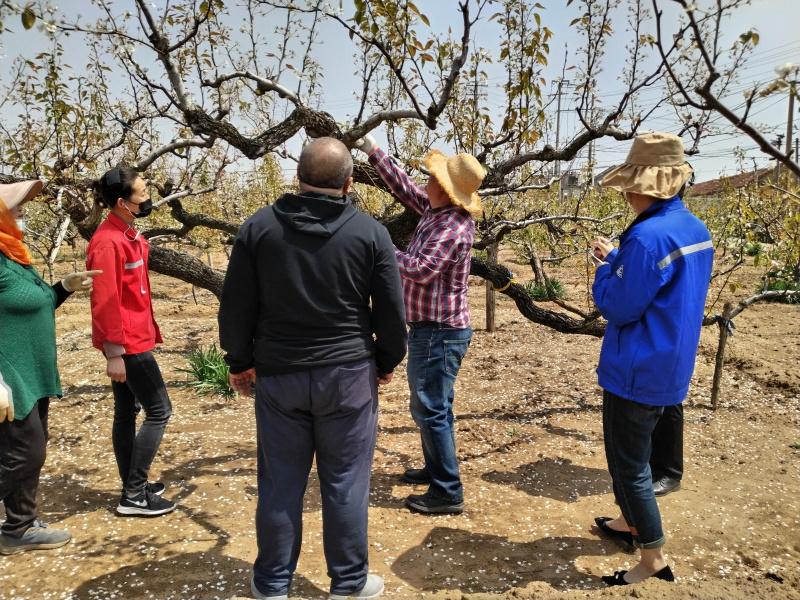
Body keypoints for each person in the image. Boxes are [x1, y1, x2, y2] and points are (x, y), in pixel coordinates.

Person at [218, 137, 407, 600]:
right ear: (349, 182)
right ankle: (348, 584)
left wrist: (240, 364)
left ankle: (272, 585)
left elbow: (235, 308)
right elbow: (392, 315)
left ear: (296, 177)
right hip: (346, 376)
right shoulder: (369, 233)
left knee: (280, 483)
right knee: (345, 483)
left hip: (279, 376)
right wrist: (384, 363)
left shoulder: (258, 228)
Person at [589, 132, 713, 585]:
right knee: (635, 457)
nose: (625, 193)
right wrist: (621, 259)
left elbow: (619, 306)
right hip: (671, 363)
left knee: (630, 464)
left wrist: (605, 270)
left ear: (647, 186)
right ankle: (628, 523)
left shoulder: (645, 238)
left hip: (635, 369)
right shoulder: (694, 230)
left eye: (629, 184)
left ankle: (652, 557)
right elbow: (665, 286)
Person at [354, 134, 485, 515]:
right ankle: (435, 468)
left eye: (433, 179)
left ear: (446, 190)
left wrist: (381, 246)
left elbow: (421, 269)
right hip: (435, 330)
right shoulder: (437, 210)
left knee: (429, 407)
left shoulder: (452, 227)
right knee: (434, 405)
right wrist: (373, 150)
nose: (426, 183)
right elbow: (405, 188)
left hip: (439, 331)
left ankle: (447, 490)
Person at [0, 180, 100, 554]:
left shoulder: (13, 255)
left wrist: (62, 287)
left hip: (33, 371)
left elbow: (27, 305)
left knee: (20, 453)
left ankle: (18, 528)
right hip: (10, 377)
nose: (24, 211)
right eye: (16, 206)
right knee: (26, 454)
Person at [86, 167, 175, 517]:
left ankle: (131, 485)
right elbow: (104, 302)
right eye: (141, 193)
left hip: (135, 337)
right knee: (160, 410)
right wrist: (113, 353)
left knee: (127, 412)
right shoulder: (107, 242)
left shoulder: (126, 233)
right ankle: (135, 495)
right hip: (128, 344)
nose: (147, 197)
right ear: (122, 202)